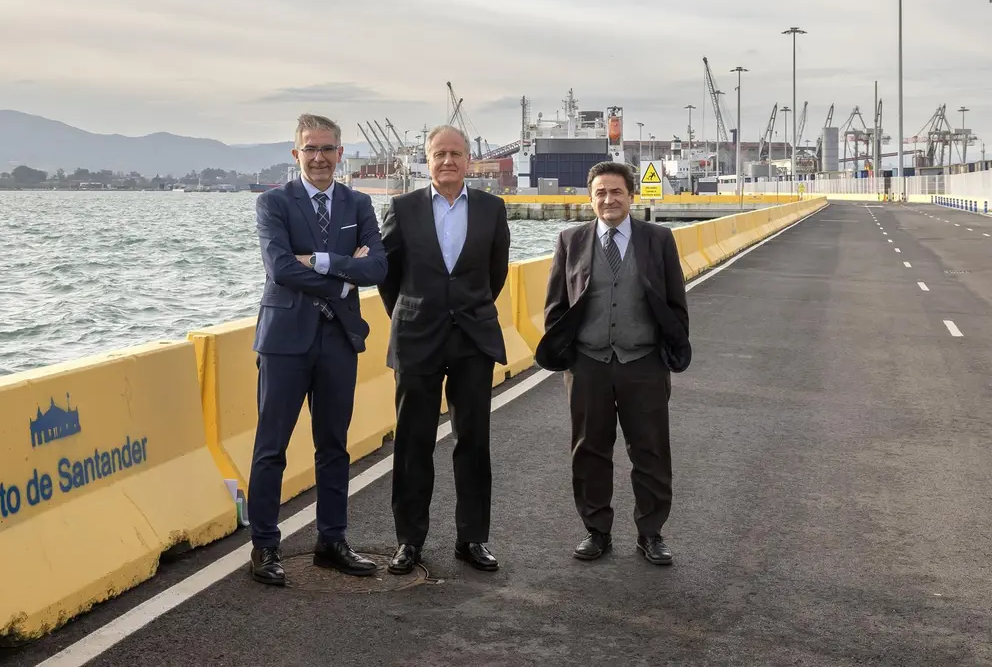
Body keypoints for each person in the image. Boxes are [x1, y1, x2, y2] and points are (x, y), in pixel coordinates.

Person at [249, 113, 388, 586]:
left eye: (328, 148)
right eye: (310, 149)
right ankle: (265, 547)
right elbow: (282, 268)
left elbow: (380, 268)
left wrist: (327, 263)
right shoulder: (273, 204)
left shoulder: (359, 204)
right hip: (286, 341)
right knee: (272, 447)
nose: (319, 157)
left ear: (340, 153)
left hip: (338, 341)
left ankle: (332, 540)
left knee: (334, 446)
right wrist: (345, 279)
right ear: (296, 154)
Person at [535, 161, 690, 566]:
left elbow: (676, 301)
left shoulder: (659, 239)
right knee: (589, 451)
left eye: (616, 191)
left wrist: (672, 350)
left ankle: (651, 533)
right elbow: (556, 305)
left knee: (651, 451)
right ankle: (596, 530)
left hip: (644, 361)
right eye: (601, 192)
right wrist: (567, 355)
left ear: (631, 196)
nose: (609, 199)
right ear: (590, 198)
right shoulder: (570, 239)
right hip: (588, 363)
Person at [378, 124, 511, 575]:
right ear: (427, 159)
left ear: (469, 161)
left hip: (472, 336)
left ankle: (472, 538)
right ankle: (408, 541)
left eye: (456, 153)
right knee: (413, 441)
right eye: (440, 154)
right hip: (417, 336)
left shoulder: (493, 210)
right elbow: (387, 275)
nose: (448, 161)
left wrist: (465, 308)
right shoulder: (403, 208)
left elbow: (496, 273)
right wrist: (412, 312)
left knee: (473, 440)